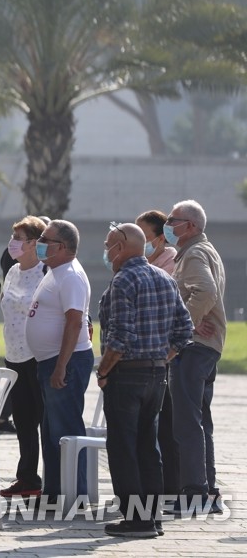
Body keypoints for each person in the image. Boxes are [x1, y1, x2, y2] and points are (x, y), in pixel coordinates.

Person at [97, 222, 193, 538]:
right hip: (156, 375)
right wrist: (160, 359)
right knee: (148, 447)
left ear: (122, 247)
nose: (106, 250)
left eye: (110, 244)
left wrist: (105, 370)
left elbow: (119, 337)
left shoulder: (124, 280)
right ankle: (152, 517)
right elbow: (184, 330)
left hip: (127, 375)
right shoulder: (165, 278)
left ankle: (136, 520)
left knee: (124, 447)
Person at [25, 219, 94, 504]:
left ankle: (74, 493)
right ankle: (54, 492)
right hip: (49, 361)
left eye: (45, 239)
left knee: (66, 429)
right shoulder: (55, 270)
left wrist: (61, 366)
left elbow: (75, 321)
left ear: (62, 247)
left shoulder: (71, 276)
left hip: (65, 361)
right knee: (52, 430)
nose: (40, 243)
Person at [165, 199, 227, 515]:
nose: (168, 224)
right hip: (206, 346)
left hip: (194, 347)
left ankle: (195, 493)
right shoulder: (201, 250)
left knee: (186, 422)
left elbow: (205, 291)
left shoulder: (195, 253)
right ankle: (207, 489)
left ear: (190, 225)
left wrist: (184, 325)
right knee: (199, 420)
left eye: (173, 219)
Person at [0, 216, 49, 499]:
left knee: (45, 419)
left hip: (38, 355)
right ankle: (27, 477)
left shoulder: (46, 272)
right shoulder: (14, 271)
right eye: (13, 237)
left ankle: (54, 479)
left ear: (34, 243)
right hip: (14, 354)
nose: (13, 244)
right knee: (24, 420)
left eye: (19, 238)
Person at [136, 208, 179, 495]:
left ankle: (171, 486)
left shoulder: (168, 265)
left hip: (162, 355)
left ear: (161, 239)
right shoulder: (147, 264)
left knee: (166, 423)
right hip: (147, 355)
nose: (140, 244)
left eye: (144, 237)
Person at [137, 210, 176, 275]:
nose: (137, 242)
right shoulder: (135, 263)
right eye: (136, 236)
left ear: (161, 238)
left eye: (143, 237)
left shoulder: (174, 268)